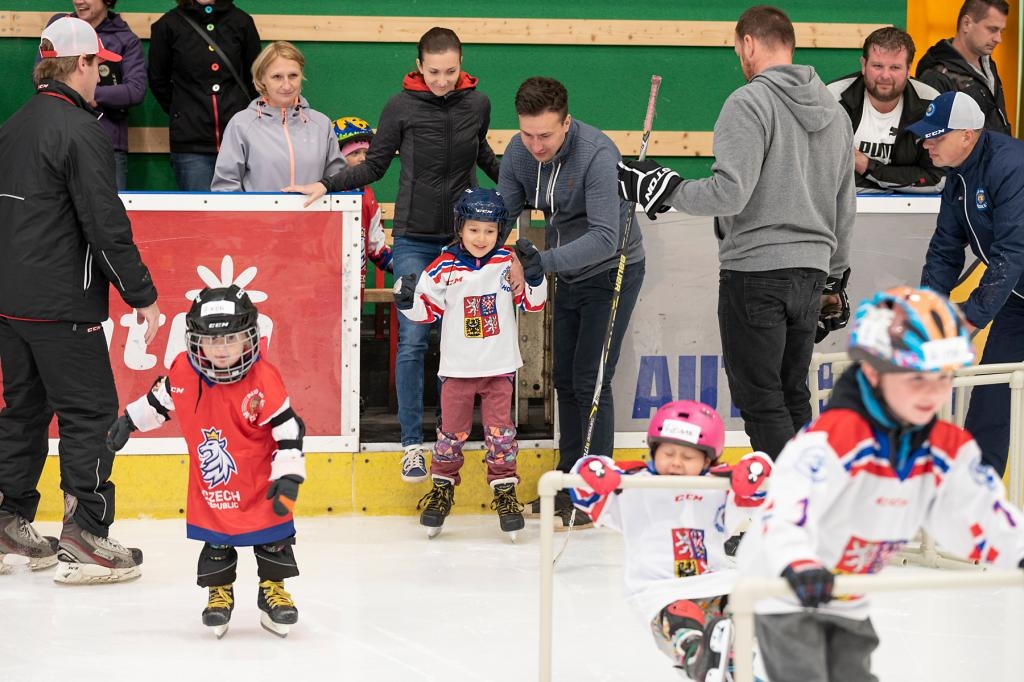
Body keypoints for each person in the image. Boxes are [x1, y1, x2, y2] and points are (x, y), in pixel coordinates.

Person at [737, 286, 1024, 682]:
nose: (931, 393)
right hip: (785, 590)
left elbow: (979, 512)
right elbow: (786, 511)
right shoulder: (833, 440)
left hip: (847, 598)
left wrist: (1017, 549)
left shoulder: (946, 448)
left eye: (941, 377)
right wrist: (799, 563)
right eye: (914, 377)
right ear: (875, 372)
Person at [618, 5, 855, 461]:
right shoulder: (836, 112)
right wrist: (834, 279)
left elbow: (729, 195)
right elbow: (846, 204)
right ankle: (806, 507)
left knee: (761, 398)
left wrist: (662, 188)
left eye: (737, 49)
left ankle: (788, 512)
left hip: (757, 271)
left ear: (748, 43)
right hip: (811, 274)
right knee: (792, 395)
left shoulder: (748, 102)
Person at [285, 27, 502, 484]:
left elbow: (482, 155)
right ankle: (410, 445)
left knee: (460, 341)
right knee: (414, 338)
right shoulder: (400, 106)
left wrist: (530, 187)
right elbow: (376, 164)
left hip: (463, 244)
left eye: (451, 71)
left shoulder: (477, 104)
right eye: (435, 71)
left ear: (461, 65)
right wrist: (327, 183)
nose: (443, 80)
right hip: (414, 241)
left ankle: (450, 439)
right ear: (419, 67)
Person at [0, 17, 159, 584]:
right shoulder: (80, 130)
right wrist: (141, 293)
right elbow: (104, 224)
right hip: (63, 303)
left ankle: (8, 520)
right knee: (89, 413)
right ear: (81, 65)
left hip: (12, 303)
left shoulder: (14, 125)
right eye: (99, 66)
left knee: (24, 412)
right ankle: (87, 536)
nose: (101, 78)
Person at [106, 286, 306, 637]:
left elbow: (289, 427)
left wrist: (289, 475)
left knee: (274, 541)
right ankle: (219, 593)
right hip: (214, 484)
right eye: (212, 342)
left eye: (231, 339)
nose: (222, 349)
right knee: (217, 545)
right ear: (195, 340)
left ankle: (273, 591)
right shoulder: (184, 371)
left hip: (262, 483)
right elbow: (161, 401)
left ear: (250, 339)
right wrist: (129, 421)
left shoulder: (263, 379)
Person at [497, 76, 646, 529]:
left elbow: (603, 237)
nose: (535, 145)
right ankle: (568, 478)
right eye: (527, 133)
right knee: (564, 378)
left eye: (545, 135)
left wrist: (540, 262)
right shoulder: (519, 152)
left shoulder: (597, 154)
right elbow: (502, 212)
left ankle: (595, 491)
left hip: (611, 270)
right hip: (564, 272)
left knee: (592, 380)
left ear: (566, 122)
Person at [568, 400, 771, 680]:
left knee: (743, 608)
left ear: (708, 460)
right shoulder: (634, 485)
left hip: (715, 583)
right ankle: (696, 656)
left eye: (688, 457)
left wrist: (756, 467)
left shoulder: (717, 487)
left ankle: (735, 666)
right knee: (681, 614)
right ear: (653, 449)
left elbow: (761, 485)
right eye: (668, 453)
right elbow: (582, 484)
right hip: (658, 590)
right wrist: (593, 469)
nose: (676, 462)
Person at [393, 188, 546, 539]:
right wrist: (406, 300)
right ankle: (443, 489)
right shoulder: (444, 266)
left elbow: (533, 305)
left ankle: (505, 491)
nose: (481, 238)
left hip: (498, 368)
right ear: (461, 227)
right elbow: (423, 312)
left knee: (501, 434)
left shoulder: (508, 262)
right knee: (451, 435)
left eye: (490, 231)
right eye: (474, 229)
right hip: (458, 371)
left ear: (500, 232)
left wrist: (536, 277)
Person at [909, 90, 1024, 477]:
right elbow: (944, 249)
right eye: (926, 136)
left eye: (936, 137)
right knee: (992, 394)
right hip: (1017, 299)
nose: (927, 145)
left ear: (967, 135)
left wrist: (968, 321)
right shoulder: (957, 176)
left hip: (1012, 284)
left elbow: (1011, 252)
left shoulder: (1011, 166)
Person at [148, 0, 261, 191]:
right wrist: (183, 112)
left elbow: (256, 78)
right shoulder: (168, 25)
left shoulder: (242, 22)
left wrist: (241, 114)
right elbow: (158, 80)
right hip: (191, 146)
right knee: (200, 218)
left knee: (242, 217)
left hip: (239, 140)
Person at [41, 0, 147, 190]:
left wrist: (89, 94)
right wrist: (82, 93)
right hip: (59, 139)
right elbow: (42, 77)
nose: (78, 1)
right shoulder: (59, 27)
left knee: (107, 212)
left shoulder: (126, 39)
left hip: (107, 144)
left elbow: (135, 90)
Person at [211, 41, 343, 191]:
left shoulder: (321, 124)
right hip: (258, 215)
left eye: (293, 75)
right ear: (261, 79)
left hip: (314, 215)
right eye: (277, 77)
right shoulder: (240, 124)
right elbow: (226, 186)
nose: (287, 85)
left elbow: (337, 182)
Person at [826, 27, 943, 193]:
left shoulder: (931, 103)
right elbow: (821, 174)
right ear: (864, 65)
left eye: (895, 68)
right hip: (844, 212)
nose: (885, 76)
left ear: (909, 69)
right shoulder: (833, 99)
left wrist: (865, 165)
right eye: (877, 66)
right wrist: (897, 183)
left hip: (912, 214)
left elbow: (936, 178)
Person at [916, 0, 1011, 136]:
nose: (998, 39)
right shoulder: (937, 75)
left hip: (1001, 155)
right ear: (967, 24)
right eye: (992, 29)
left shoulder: (988, 64)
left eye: (1001, 31)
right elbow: (935, 141)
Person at [332, 116, 393, 289]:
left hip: (354, 286)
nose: (363, 159)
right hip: (322, 279)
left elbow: (375, 244)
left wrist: (401, 267)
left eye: (367, 153)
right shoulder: (323, 192)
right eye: (354, 153)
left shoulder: (367, 194)